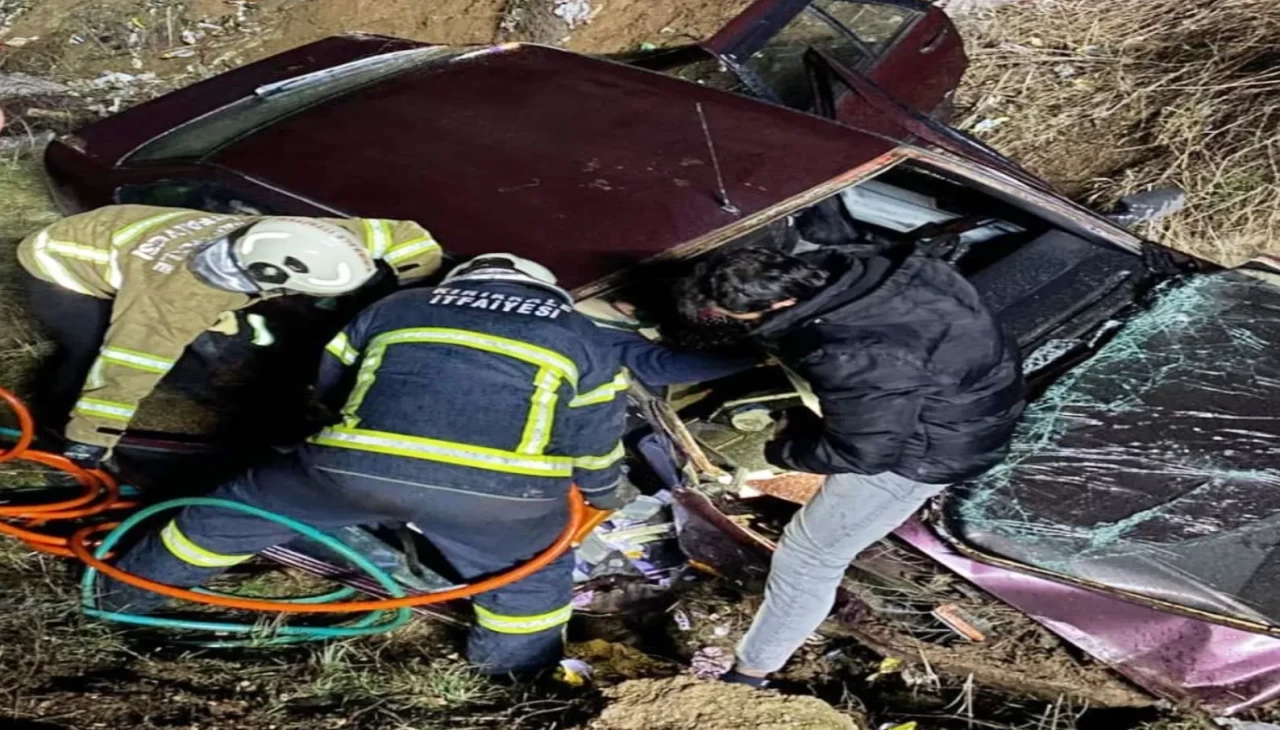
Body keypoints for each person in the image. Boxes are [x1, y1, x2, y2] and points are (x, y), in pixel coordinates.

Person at [99, 253, 630, 676]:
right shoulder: (586, 337)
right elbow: (594, 443)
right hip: (498, 500)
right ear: (548, 293)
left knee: (222, 519)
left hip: (347, 470)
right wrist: (607, 493)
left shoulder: (399, 306)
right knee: (530, 582)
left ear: (463, 279)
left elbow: (330, 389)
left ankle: (117, 599)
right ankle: (510, 682)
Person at [675, 245, 1024, 687]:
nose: (729, 323)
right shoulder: (886, 270)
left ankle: (751, 673)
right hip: (983, 399)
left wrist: (786, 451)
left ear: (779, 303)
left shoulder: (847, 352)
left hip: (932, 451)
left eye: (731, 317)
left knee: (809, 556)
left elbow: (866, 454)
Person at [15, 204, 442, 467]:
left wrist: (420, 290)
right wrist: (93, 440)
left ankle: (190, 382)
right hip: (61, 261)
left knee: (187, 347)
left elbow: (404, 235)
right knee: (91, 350)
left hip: (120, 230)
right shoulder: (178, 298)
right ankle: (59, 426)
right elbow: (127, 366)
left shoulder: (305, 236)